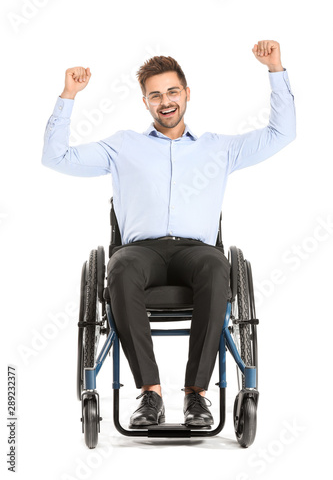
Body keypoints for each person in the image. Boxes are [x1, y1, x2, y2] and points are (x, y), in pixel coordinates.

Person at [42, 40, 296, 428]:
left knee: (216, 267)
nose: (165, 101)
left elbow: (282, 133)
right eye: (155, 95)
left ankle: (196, 396)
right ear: (145, 102)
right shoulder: (124, 146)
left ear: (187, 94)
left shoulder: (218, 149)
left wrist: (275, 69)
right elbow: (55, 157)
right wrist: (69, 96)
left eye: (172, 92)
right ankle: (150, 395)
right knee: (121, 267)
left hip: (197, 253)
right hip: (141, 253)